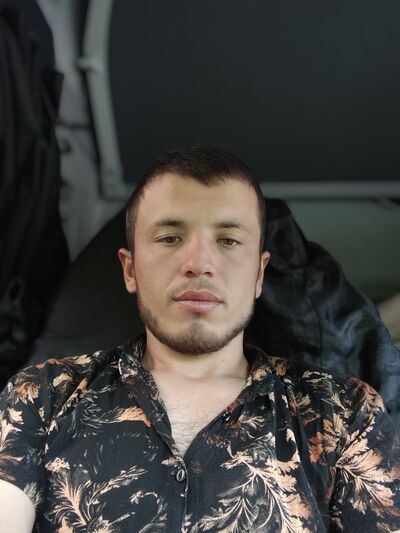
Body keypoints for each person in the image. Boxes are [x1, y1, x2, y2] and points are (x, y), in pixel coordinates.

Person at [0, 146, 399, 532]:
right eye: (170, 238)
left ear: (259, 274)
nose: (199, 264)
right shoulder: (43, 396)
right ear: (130, 270)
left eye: (228, 241)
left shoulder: (344, 412)